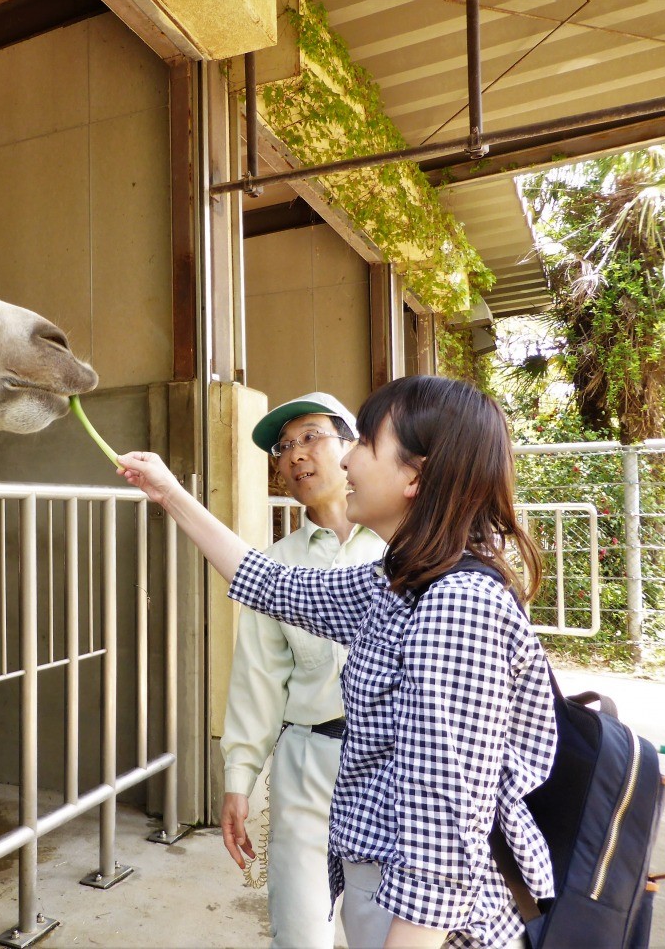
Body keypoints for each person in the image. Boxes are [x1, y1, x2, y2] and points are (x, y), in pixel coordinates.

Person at [119, 376, 556, 949]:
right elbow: (269, 584)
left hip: (429, 924)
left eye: (366, 442)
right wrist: (169, 491)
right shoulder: (400, 582)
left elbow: (442, 843)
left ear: (416, 476)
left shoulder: (455, 604)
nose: (346, 457)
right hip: (372, 864)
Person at [222, 392, 385, 949]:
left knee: (385, 926)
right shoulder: (275, 566)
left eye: (311, 437)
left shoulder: (406, 547)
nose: (294, 456)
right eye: (283, 448)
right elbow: (258, 681)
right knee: (298, 930)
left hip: (390, 763)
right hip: (306, 763)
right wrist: (239, 779)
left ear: (353, 447)